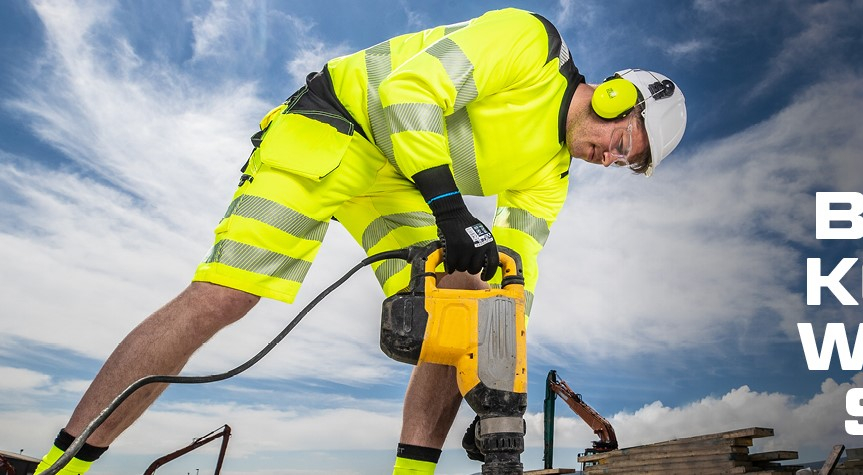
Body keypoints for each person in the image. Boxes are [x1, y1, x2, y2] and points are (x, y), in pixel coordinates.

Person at [33, 7, 686, 475]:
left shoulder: (552, 177)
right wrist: (451, 207)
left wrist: (496, 394)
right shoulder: (530, 43)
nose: (613, 160)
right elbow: (407, 92)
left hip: (397, 178)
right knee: (223, 298)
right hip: (332, 125)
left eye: (628, 164)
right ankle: (63, 465)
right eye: (625, 145)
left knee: (464, 302)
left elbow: (514, 286)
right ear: (617, 98)